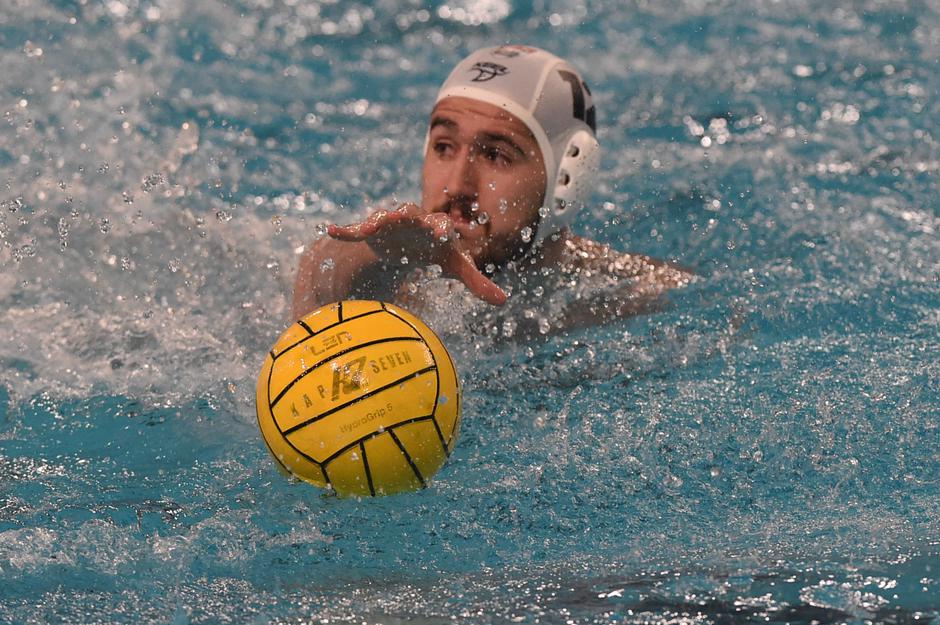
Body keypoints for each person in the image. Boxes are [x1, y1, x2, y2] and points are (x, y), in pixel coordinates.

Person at [292, 45, 692, 335]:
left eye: (497, 155)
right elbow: (322, 280)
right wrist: (380, 255)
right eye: (444, 147)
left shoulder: (626, 293)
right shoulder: (397, 249)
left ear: (567, 175)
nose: (456, 186)